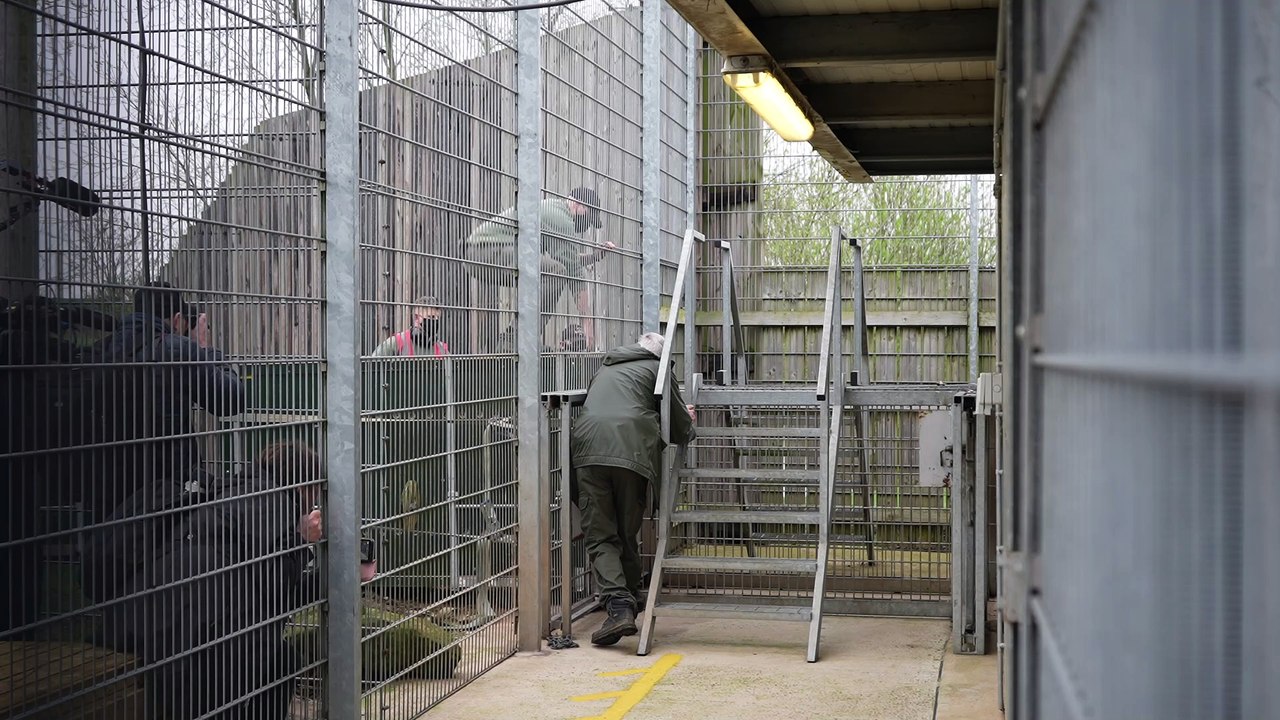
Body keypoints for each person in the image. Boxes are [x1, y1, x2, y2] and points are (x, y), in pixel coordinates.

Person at [92, 441, 360, 719]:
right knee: (270, 658)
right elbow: (272, 595)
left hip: (140, 622)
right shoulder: (273, 507)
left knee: (281, 659)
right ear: (302, 486)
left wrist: (340, 577)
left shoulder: (236, 493)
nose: (313, 503)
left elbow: (265, 589)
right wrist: (300, 540)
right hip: (183, 641)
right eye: (313, 493)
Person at [569, 331, 696, 646]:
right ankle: (625, 603)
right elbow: (680, 429)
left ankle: (624, 602)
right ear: (662, 356)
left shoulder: (607, 367)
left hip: (588, 450)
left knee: (600, 533)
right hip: (633, 453)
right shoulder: (659, 370)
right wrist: (690, 420)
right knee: (626, 532)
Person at [88, 282, 245, 524]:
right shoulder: (176, 350)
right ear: (177, 319)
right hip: (168, 492)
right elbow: (231, 400)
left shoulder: (101, 350)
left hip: (110, 489)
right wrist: (204, 348)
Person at [464, 186, 616, 350]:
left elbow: (568, 260)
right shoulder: (560, 217)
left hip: (487, 253)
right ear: (578, 204)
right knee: (555, 273)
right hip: (485, 250)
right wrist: (587, 324)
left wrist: (594, 256)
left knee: (547, 272)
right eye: (587, 216)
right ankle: (516, 338)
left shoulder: (553, 210)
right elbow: (573, 271)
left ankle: (518, 340)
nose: (586, 224)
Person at [371, 295, 450, 356]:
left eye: (437, 318)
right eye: (431, 317)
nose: (435, 321)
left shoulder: (442, 349)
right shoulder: (396, 343)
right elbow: (371, 368)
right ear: (416, 318)